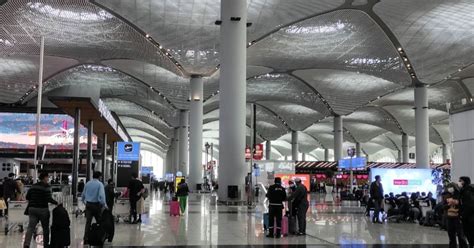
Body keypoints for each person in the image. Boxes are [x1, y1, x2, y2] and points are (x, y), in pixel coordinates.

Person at [23, 172, 58, 248]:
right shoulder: (46, 187)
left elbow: (27, 197)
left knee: (30, 228)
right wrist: (57, 203)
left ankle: (26, 244)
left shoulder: (33, 186)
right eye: (47, 177)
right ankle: (46, 245)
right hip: (43, 210)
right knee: (45, 228)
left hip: (32, 209)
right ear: (44, 178)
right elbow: (48, 198)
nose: (48, 179)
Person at [81, 171, 107, 245]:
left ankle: (85, 239)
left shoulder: (88, 183)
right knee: (100, 222)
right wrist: (104, 205)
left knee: (88, 223)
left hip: (88, 205)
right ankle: (100, 237)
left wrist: (84, 202)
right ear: (99, 177)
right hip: (96, 205)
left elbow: (83, 194)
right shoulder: (100, 184)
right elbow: (102, 196)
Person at [445, 183, 468, 248]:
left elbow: (463, 206)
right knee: (451, 235)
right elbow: (443, 206)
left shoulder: (460, 195)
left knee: (460, 235)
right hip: (449, 217)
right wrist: (448, 204)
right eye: (449, 187)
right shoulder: (447, 195)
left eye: (451, 187)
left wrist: (456, 203)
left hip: (458, 217)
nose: (450, 188)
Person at [459, 176, 474, 248]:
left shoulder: (467, 191)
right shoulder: (465, 190)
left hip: (469, 217)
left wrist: (463, 215)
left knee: (469, 232)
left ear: (465, 181)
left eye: (461, 181)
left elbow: (469, 205)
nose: (459, 182)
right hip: (468, 216)